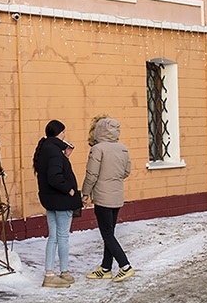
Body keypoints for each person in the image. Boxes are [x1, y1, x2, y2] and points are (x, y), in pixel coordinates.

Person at [82, 115, 134, 282]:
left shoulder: (98, 149)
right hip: (117, 196)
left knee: (106, 234)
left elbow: (92, 174)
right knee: (109, 233)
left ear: (99, 130)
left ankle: (125, 266)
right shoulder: (123, 148)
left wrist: (85, 193)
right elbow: (126, 172)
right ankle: (106, 268)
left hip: (103, 197)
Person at [32, 119, 82, 287]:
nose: (65, 135)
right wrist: (70, 190)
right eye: (64, 132)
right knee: (63, 237)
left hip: (50, 200)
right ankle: (63, 272)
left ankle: (49, 273)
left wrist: (65, 157)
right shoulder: (53, 151)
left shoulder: (46, 149)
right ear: (59, 133)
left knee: (53, 236)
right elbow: (55, 177)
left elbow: (52, 171)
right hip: (61, 200)